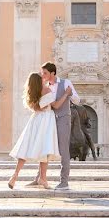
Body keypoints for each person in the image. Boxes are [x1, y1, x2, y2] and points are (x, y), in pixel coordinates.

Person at [7, 72, 71, 189]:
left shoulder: (31, 93)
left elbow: (37, 106)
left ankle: (14, 176)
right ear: (39, 81)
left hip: (35, 120)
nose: (44, 78)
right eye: (42, 78)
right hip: (46, 120)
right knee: (45, 149)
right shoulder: (46, 90)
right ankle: (43, 179)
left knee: (25, 148)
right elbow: (56, 105)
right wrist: (66, 94)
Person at [27, 62, 81, 190]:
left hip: (63, 119)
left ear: (53, 73)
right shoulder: (44, 86)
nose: (43, 75)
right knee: (44, 148)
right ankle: (39, 178)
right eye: (42, 73)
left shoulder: (66, 83)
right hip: (48, 120)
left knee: (63, 150)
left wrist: (69, 93)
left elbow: (77, 100)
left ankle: (64, 182)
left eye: (45, 73)